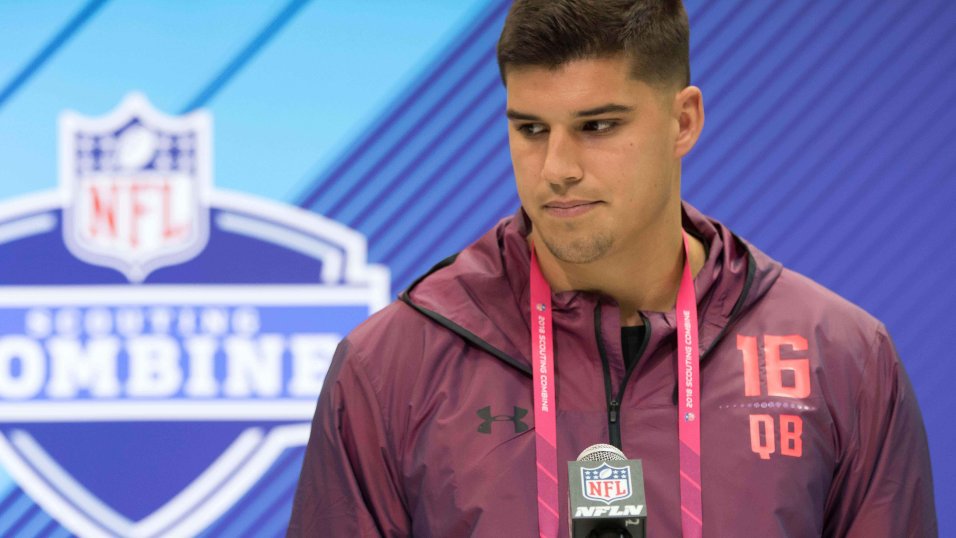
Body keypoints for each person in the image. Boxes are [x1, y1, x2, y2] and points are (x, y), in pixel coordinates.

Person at [288, 1, 937, 536]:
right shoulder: (392, 366)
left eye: (597, 125)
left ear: (683, 121)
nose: (557, 168)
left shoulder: (841, 357)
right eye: (532, 129)